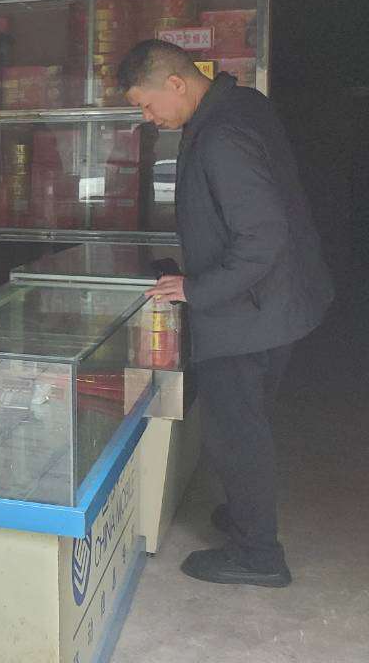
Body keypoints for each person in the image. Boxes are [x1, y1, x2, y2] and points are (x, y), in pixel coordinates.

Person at [118, 39, 333, 588]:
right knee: (248, 422)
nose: (147, 118)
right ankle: (245, 512)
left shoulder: (221, 136)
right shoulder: (240, 105)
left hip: (249, 315)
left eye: (146, 104)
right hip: (276, 304)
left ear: (175, 83)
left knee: (237, 434)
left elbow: (262, 237)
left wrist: (195, 288)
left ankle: (258, 555)